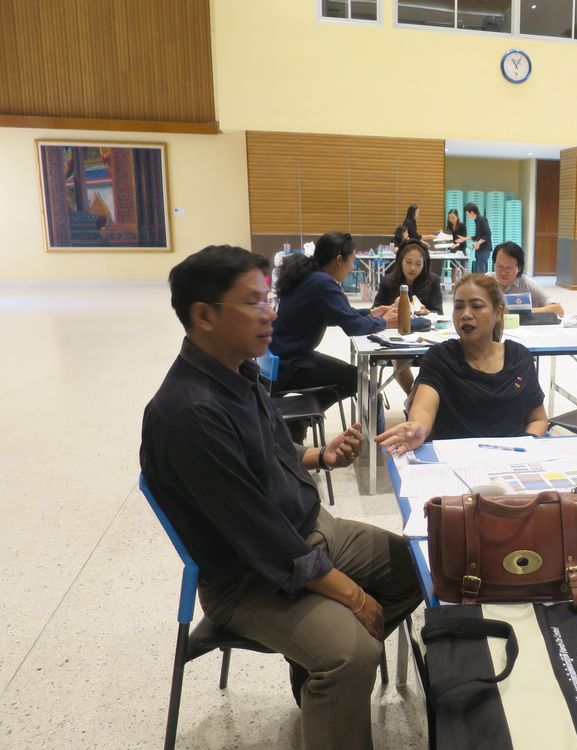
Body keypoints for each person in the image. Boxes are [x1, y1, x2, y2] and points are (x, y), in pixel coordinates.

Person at [140, 245, 422, 750]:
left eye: (268, 300)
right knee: (351, 651)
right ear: (203, 315)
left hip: (309, 531)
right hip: (251, 575)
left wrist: (318, 456)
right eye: (253, 302)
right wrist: (350, 594)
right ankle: (330, 680)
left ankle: (319, 687)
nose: (270, 314)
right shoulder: (189, 414)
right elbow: (260, 535)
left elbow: (265, 450)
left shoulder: (239, 372)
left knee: (417, 570)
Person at [374, 274, 547, 454]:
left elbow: (538, 419)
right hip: (456, 461)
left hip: (512, 461)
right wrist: (418, 428)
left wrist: (525, 450)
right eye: (458, 306)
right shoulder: (440, 358)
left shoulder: (519, 358)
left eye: (476, 306)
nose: (465, 314)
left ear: (498, 312)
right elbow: (424, 408)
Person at [270, 232, 398, 437]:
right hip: (291, 364)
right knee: (362, 381)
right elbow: (353, 327)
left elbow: (335, 315)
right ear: (339, 259)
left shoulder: (309, 275)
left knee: (351, 378)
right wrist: (385, 322)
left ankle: (301, 420)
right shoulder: (322, 283)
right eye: (353, 261)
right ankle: (302, 420)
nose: (353, 267)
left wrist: (369, 313)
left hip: (282, 357)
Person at [372, 240, 444, 393]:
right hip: (395, 338)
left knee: (435, 363)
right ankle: (414, 400)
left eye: (418, 264)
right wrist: (392, 307)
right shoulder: (388, 281)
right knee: (399, 362)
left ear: (424, 264)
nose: (412, 268)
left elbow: (439, 313)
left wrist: (428, 312)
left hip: (424, 338)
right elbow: (375, 311)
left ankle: (419, 401)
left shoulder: (433, 281)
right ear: (400, 261)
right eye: (408, 262)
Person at [491, 241, 565, 317]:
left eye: (508, 268)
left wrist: (526, 311)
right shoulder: (486, 282)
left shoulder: (527, 284)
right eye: (499, 266)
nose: (503, 273)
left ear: (519, 268)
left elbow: (558, 309)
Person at [465, 202, 493, 274]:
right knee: (480, 271)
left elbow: (488, 233)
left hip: (484, 249)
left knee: (481, 272)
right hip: (480, 249)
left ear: (471, 212)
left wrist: (478, 243)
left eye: (467, 213)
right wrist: (465, 238)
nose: (466, 215)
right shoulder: (477, 220)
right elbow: (478, 236)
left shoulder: (481, 219)